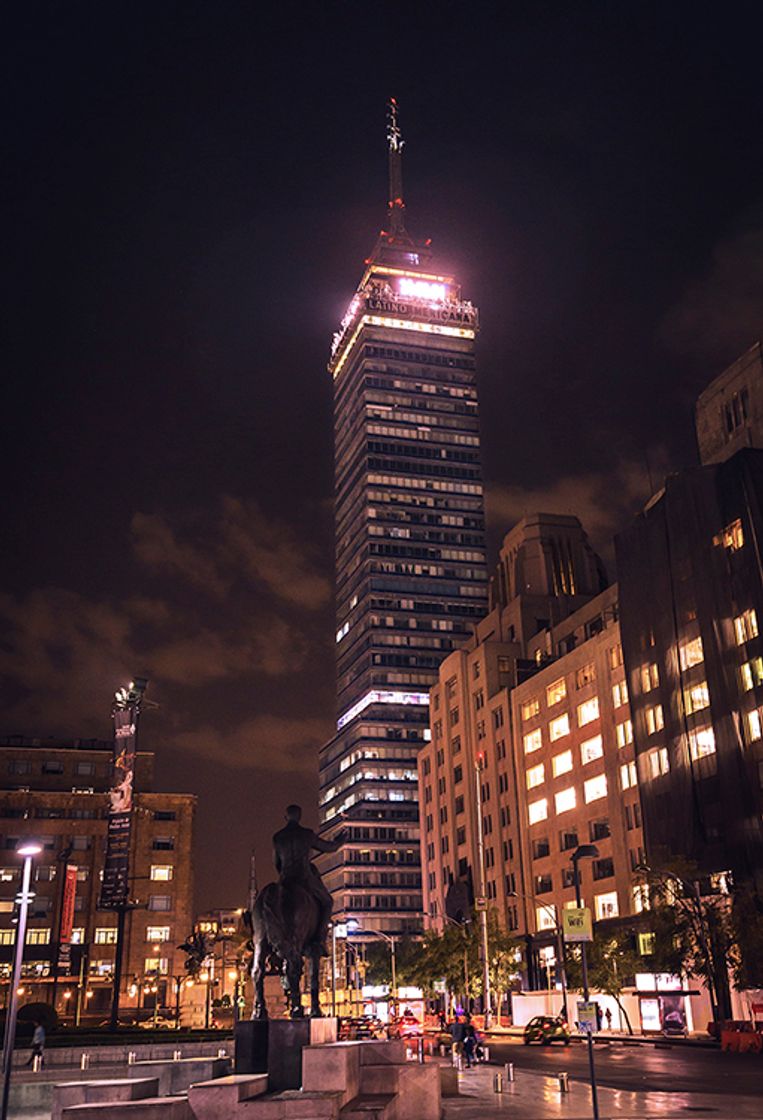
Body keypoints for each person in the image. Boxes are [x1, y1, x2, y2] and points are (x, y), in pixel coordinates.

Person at [271, 805, 345, 956]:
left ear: (286, 817)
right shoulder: (307, 834)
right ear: (300, 816)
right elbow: (327, 847)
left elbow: (277, 863)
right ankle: (319, 939)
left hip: (285, 879)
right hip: (305, 878)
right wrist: (339, 841)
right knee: (327, 902)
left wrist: (284, 875)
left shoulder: (278, 837)